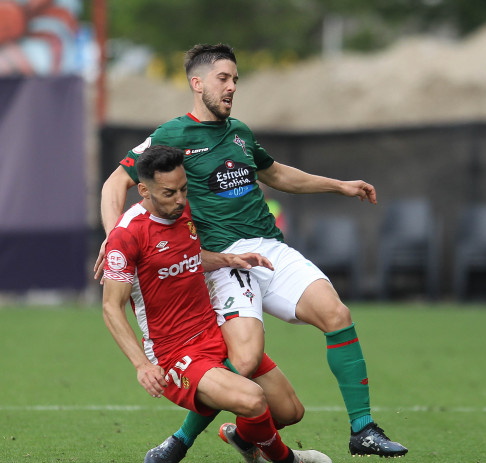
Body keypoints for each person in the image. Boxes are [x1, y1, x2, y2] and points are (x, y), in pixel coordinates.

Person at [96, 43, 407, 459]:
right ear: (197, 82)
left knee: (337, 314)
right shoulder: (171, 134)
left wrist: (340, 185)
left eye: (235, 80)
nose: (231, 88)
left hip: (268, 248)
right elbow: (116, 182)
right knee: (243, 363)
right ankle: (181, 441)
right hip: (222, 260)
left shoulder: (239, 132)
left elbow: (277, 174)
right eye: (223, 79)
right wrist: (115, 234)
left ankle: (363, 430)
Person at [101, 145, 331, 463]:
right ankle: (286, 460)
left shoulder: (184, 211)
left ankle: (241, 438)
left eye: (184, 189)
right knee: (252, 400)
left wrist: (228, 259)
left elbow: (189, 256)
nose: (180, 199)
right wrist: (142, 365)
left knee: (291, 411)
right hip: (175, 354)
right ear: (143, 190)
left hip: (215, 333)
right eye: (169, 193)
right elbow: (112, 306)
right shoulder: (127, 236)